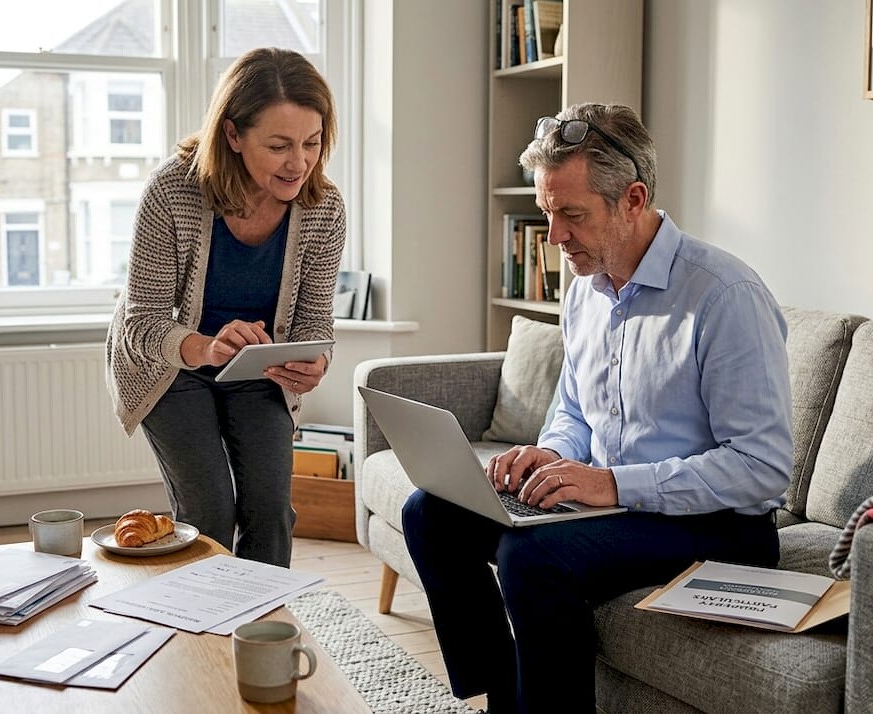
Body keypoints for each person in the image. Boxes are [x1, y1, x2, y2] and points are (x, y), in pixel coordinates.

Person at [401, 103, 793, 713]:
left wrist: (612, 484)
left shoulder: (724, 296)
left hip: (720, 524)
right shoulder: (585, 288)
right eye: (547, 213)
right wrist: (551, 454)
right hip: (615, 505)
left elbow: (761, 469)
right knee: (431, 512)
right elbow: (576, 411)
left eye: (572, 216)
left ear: (633, 199)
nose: (555, 237)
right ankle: (503, 697)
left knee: (530, 557)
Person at [105, 47, 346, 567]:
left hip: (259, 370)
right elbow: (140, 323)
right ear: (232, 135)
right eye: (279, 145)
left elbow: (315, 319)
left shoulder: (324, 206)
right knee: (208, 512)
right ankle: (197, 637)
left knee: (271, 511)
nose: (299, 163)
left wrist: (317, 362)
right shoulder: (172, 190)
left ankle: (261, 633)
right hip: (170, 368)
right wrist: (206, 347)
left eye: (312, 142)